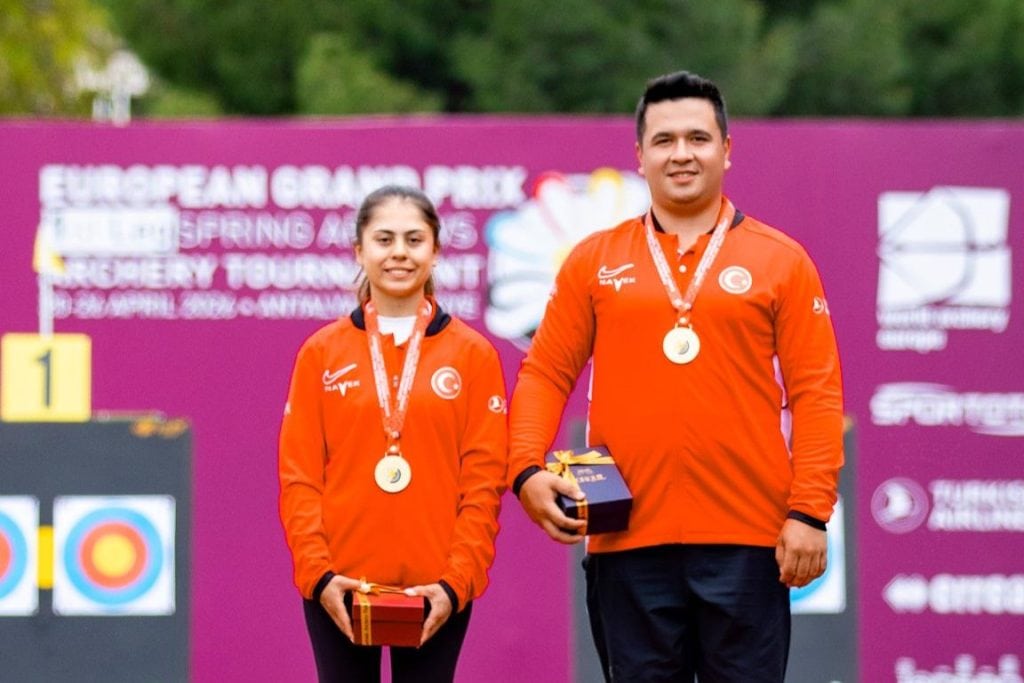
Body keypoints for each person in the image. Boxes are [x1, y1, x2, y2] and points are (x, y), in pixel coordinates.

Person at [508, 70, 844, 682]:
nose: (681, 154)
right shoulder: (593, 260)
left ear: (726, 150)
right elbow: (545, 373)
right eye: (663, 140)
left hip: (750, 542)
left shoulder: (781, 260)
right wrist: (525, 469)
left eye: (698, 138)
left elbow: (816, 393)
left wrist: (810, 512)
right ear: (639, 156)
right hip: (627, 541)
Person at [279, 185, 508, 682]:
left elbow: (484, 484)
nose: (399, 253)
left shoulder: (473, 355)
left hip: (436, 589)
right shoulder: (321, 353)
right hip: (339, 585)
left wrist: (455, 583)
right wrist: (319, 576)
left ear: (436, 251)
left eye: (414, 239)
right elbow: (299, 478)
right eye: (384, 239)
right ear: (359, 251)